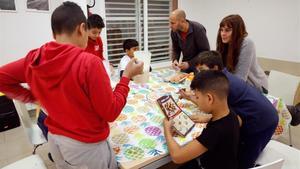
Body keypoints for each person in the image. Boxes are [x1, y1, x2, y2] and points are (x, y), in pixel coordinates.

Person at [0, 2, 143, 169]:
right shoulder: (89, 63)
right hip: (86, 146)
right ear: (82, 28)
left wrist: (33, 97)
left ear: (54, 32)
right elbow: (110, 112)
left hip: (56, 139)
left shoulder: (35, 58)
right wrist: (126, 77)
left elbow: (2, 77)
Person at [180, 51, 278, 169]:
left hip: (263, 120)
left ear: (215, 68)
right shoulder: (221, 79)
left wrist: (207, 117)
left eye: (202, 70)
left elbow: (228, 118)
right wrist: (191, 98)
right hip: (254, 112)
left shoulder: (223, 87)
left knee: (245, 156)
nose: (199, 74)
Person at [164, 70, 240, 169]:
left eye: (197, 97)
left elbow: (177, 157)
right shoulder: (232, 114)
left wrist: (166, 130)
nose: (196, 100)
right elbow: (238, 122)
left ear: (209, 99)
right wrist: (208, 118)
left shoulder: (216, 131)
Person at [216, 14, 268, 93]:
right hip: (237, 86)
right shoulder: (225, 43)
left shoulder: (247, 43)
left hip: (256, 87)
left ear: (237, 31)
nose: (223, 33)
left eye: (227, 30)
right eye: (221, 30)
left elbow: (240, 79)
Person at [170, 9, 210, 73]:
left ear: (182, 21)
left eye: (173, 23)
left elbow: (205, 52)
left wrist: (189, 63)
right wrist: (175, 60)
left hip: (199, 65)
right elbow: (176, 48)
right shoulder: (174, 32)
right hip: (185, 64)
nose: (170, 26)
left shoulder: (198, 29)